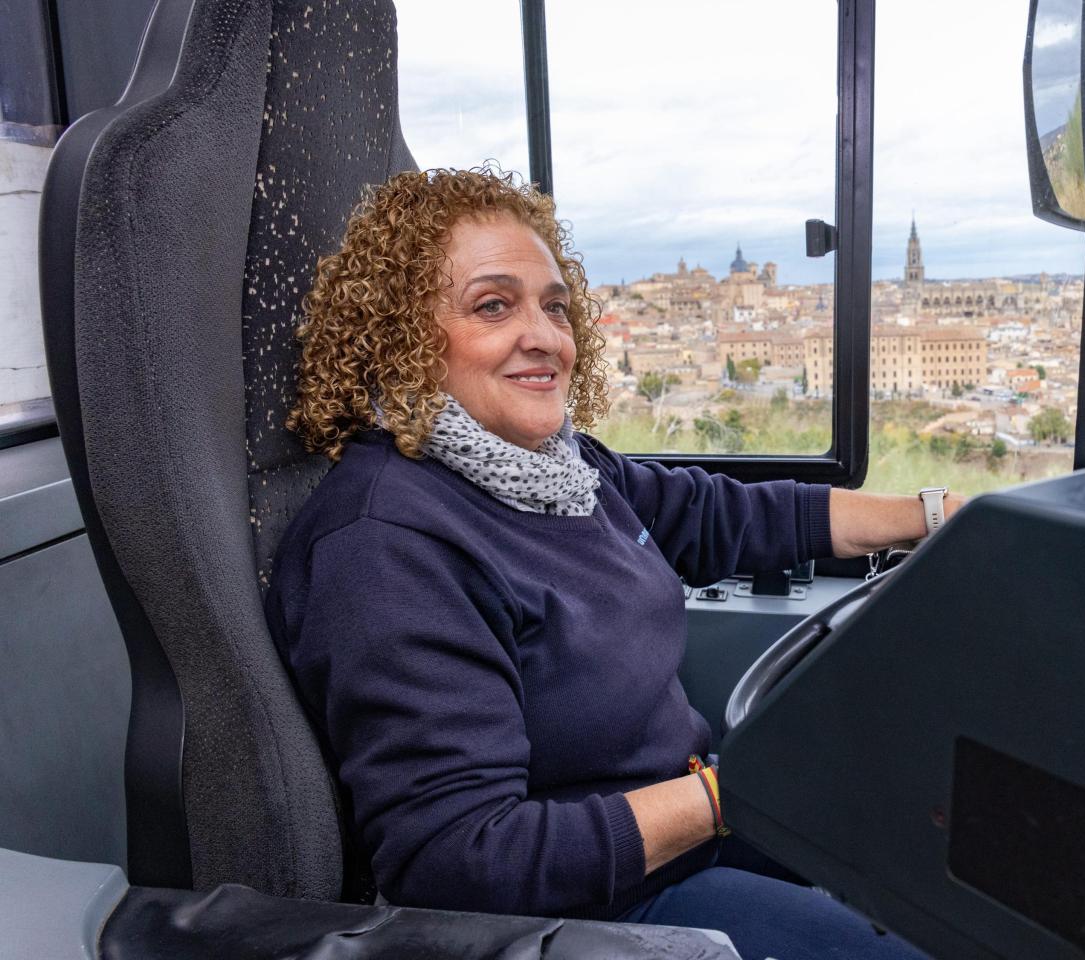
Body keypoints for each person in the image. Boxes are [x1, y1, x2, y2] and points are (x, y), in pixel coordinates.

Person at [265, 166, 959, 959]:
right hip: (603, 904)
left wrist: (937, 518)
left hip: (690, 821)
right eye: (493, 306)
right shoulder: (384, 546)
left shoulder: (557, 466)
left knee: (956, 871)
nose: (546, 337)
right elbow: (459, 860)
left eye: (554, 306)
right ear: (400, 338)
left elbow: (715, 514)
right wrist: (724, 795)